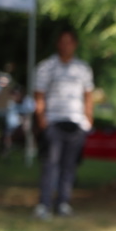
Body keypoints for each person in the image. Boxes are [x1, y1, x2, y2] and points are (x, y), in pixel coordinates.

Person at [33, 28, 94, 220]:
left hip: (76, 123)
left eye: (69, 42)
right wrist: (42, 121)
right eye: (62, 41)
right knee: (51, 165)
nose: (65, 46)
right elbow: (39, 96)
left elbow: (88, 96)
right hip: (53, 122)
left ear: (75, 45)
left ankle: (63, 203)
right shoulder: (46, 67)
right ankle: (44, 204)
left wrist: (88, 120)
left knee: (69, 166)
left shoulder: (83, 69)